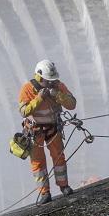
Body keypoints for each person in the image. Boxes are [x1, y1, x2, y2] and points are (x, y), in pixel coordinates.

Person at [18, 59, 77, 205]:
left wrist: (58, 95)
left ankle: (64, 186)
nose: (51, 83)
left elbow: (72, 104)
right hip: (35, 131)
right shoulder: (27, 89)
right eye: (48, 81)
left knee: (59, 157)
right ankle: (45, 193)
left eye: (52, 80)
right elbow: (24, 111)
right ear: (39, 77)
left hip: (53, 128)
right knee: (38, 163)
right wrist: (39, 98)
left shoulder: (58, 86)